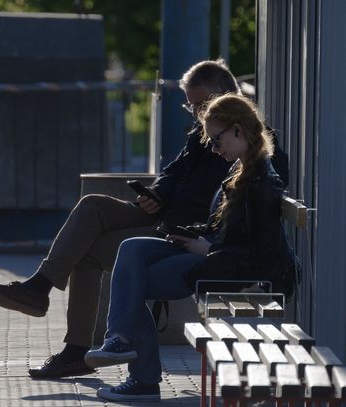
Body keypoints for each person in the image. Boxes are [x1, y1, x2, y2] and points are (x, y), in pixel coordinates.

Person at [0, 59, 289, 379]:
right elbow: (173, 173)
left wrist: (202, 240)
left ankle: (76, 350)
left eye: (200, 105)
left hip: (183, 229)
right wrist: (155, 194)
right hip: (164, 215)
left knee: (89, 255)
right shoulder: (205, 133)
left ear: (225, 101)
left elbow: (247, 209)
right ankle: (39, 287)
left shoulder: (251, 146)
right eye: (191, 107)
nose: (197, 115)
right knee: (92, 205)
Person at [84, 93, 285, 402]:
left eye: (217, 141)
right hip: (212, 251)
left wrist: (206, 249)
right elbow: (226, 231)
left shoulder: (262, 181)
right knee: (133, 247)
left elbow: (261, 255)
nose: (215, 150)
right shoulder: (241, 169)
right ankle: (120, 341)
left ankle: (142, 376)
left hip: (221, 264)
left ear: (237, 129)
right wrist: (192, 234)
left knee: (131, 286)